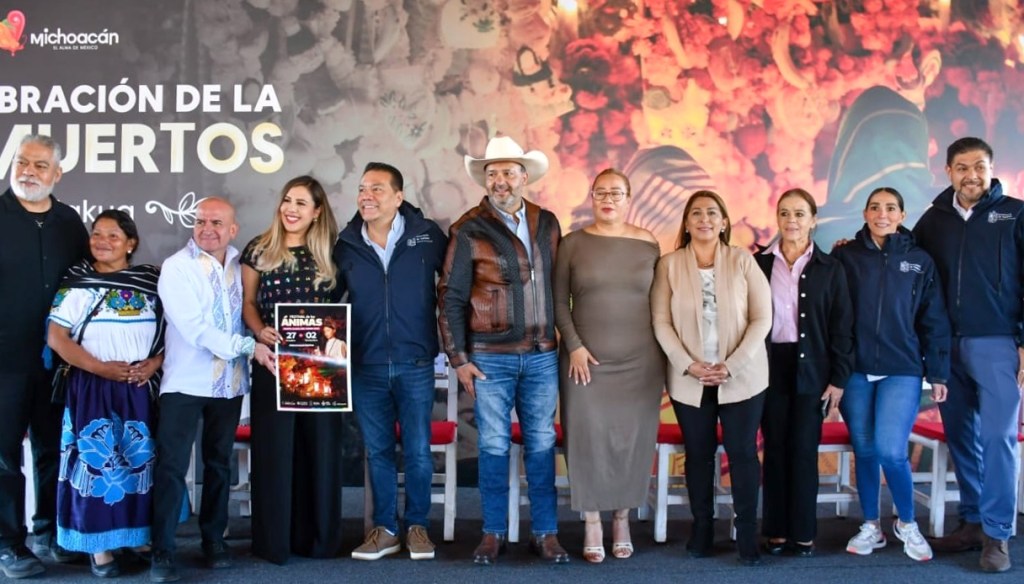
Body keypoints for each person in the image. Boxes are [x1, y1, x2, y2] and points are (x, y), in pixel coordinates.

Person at [438, 134, 568, 565]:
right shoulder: (468, 228)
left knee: (541, 442)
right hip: (490, 356)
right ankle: (492, 532)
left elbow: (559, 285)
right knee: (493, 443)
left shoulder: (547, 223)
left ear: (524, 177)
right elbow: (451, 297)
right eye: (492, 173)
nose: (500, 181)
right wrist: (459, 359)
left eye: (508, 172)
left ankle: (546, 533)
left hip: (542, 353)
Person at [912, 137, 1023, 573]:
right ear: (948, 171)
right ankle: (974, 521)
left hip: (998, 341)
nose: (971, 175)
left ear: (991, 169)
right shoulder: (933, 220)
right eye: (962, 167)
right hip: (947, 347)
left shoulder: (1014, 215)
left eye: (979, 166)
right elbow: (908, 262)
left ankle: (998, 534)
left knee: (997, 438)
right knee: (961, 437)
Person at [150, 197, 275, 582]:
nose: (207, 229)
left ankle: (214, 540)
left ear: (232, 229)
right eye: (201, 221)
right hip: (185, 383)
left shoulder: (242, 266)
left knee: (219, 464)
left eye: (217, 223)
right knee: (172, 467)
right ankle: (162, 549)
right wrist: (249, 347)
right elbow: (195, 329)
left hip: (229, 384)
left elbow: (252, 310)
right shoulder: (177, 267)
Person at [333, 162, 447, 561]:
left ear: (399, 197)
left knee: (417, 450)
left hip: (416, 361)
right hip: (366, 365)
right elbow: (330, 303)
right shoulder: (345, 243)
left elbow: (454, 286)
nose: (366, 196)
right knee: (378, 451)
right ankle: (384, 529)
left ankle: (417, 527)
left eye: (377, 189)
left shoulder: (427, 235)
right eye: (362, 189)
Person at [651, 190, 771, 565]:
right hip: (690, 378)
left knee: (743, 453)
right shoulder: (669, 265)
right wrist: (687, 363)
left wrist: (733, 364)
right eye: (697, 213)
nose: (705, 219)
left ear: (723, 222)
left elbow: (762, 318)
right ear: (687, 223)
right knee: (699, 454)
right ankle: (702, 529)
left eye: (712, 213)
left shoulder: (743, 260)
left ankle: (747, 534)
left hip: (743, 376)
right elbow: (660, 321)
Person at [831, 187, 950, 562]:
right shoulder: (845, 256)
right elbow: (832, 309)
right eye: (875, 207)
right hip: (856, 369)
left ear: (901, 215)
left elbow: (933, 319)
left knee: (891, 450)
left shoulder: (919, 260)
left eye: (890, 208)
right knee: (865, 449)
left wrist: (939, 372)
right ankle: (871, 525)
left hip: (902, 368)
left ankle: (908, 523)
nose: (882, 214)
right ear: (865, 213)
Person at [553, 168, 663, 563]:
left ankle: (622, 519)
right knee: (587, 439)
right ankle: (592, 522)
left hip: (641, 361)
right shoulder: (572, 243)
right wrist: (575, 346)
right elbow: (557, 301)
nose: (608, 199)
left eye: (616, 192)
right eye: (601, 192)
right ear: (592, 197)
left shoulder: (648, 243)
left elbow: (661, 303)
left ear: (629, 198)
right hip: (584, 361)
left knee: (631, 440)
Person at [47, 210, 164, 578]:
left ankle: (136, 537)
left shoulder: (150, 283)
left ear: (131, 243)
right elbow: (56, 338)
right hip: (92, 388)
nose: (102, 242)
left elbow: (172, 334)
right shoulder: (77, 284)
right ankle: (99, 548)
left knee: (136, 465)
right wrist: (101, 369)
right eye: (97, 234)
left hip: (138, 389)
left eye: (113, 236)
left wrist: (154, 364)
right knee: (95, 466)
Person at [240, 175, 343, 565]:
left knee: (319, 450)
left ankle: (318, 540)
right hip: (272, 363)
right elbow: (248, 303)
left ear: (317, 212)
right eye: (287, 200)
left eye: (301, 203)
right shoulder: (260, 249)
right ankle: (274, 542)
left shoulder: (332, 253)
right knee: (276, 453)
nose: (291, 209)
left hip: (322, 368)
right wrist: (258, 331)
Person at [0, 134, 88, 579]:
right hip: (4, 363)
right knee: (3, 457)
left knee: (53, 449)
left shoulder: (69, 222)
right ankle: (8, 545)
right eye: (22, 162)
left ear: (57, 173)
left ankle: (50, 533)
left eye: (39, 165)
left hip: (57, 363)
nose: (28, 171)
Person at [754, 188, 853, 558]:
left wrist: (839, 378)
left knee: (803, 449)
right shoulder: (758, 264)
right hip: (768, 367)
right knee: (774, 448)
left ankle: (803, 533)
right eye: (784, 213)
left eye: (799, 213)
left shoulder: (831, 268)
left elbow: (843, 327)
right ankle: (776, 530)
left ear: (813, 220)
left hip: (813, 367)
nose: (791, 220)